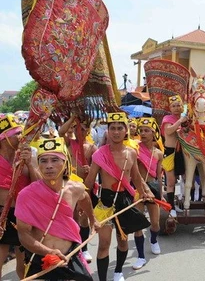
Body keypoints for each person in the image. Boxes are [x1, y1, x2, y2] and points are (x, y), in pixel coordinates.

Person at [15, 137, 98, 280]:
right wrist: (49, 251)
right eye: (43, 160)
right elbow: (23, 235)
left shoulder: (75, 188)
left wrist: (93, 219)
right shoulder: (26, 195)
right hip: (41, 258)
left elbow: (85, 198)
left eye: (54, 160)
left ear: (65, 163)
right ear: (38, 164)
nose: (49, 166)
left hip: (71, 255)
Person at [85, 112, 153, 281]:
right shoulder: (99, 154)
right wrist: (82, 201)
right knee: (104, 244)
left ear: (125, 131)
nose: (116, 132)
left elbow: (136, 177)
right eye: (112, 128)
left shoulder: (131, 153)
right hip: (106, 203)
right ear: (107, 131)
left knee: (123, 242)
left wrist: (144, 192)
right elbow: (90, 182)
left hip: (125, 200)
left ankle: (118, 272)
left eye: (119, 128)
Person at [0, 116, 39, 279]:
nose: (20, 137)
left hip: (24, 215)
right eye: (15, 133)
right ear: (4, 138)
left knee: (23, 263)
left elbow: (38, 185)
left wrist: (30, 163)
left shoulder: (27, 155)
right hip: (2, 215)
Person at [58, 115, 98, 263]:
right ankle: (73, 248)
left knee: (83, 218)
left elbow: (98, 168)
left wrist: (90, 168)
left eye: (82, 128)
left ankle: (84, 249)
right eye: (76, 128)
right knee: (71, 218)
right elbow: (61, 132)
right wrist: (74, 117)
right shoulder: (69, 143)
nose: (79, 131)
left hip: (84, 187)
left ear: (88, 130)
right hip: (68, 186)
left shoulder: (92, 148)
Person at [132, 117, 164, 270]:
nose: (143, 133)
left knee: (155, 223)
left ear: (154, 132)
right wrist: (142, 188)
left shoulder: (158, 153)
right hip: (138, 188)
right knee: (138, 224)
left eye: (147, 130)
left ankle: (153, 240)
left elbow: (159, 176)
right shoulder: (134, 149)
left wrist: (161, 194)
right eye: (141, 130)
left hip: (153, 188)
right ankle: (140, 256)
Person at [161, 95, 188, 217]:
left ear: (182, 107)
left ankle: (186, 201)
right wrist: (180, 121)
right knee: (171, 182)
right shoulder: (167, 118)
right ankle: (171, 207)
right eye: (174, 106)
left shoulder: (186, 119)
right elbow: (168, 131)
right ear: (170, 108)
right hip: (170, 151)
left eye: (178, 105)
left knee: (187, 179)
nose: (176, 108)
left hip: (183, 152)